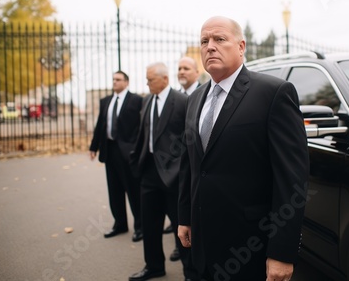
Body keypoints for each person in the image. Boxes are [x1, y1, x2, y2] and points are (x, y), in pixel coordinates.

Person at [178, 16, 309, 281]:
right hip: (202, 242)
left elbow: (291, 180)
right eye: (204, 41)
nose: (210, 46)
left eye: (219, 39)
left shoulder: (273, 93)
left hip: (249, 246)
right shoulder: (194, 99)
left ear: (241, 46)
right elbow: (190, 164)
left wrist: (282, 252)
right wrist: (184, 216)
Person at [129, 63, 199, 281]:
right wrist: (136, 162)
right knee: (150, 225)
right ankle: (154, 266)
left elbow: (190, 138)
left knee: (182, 227)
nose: (147, 83)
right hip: (149, 173)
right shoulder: (147, 100)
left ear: (165, 79)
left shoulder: (182, 102)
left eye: (150, 79)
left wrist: (181, 169)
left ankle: (190, 272)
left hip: (174, 176)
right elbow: (144, 134)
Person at [89, 71, 143, 242]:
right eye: (113, 79)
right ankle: (119, 224)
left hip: (128, 153)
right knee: (114, 190)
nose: (115, 82)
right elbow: (100, 125)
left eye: (118, 80)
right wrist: (94, 146)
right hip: (110, 151)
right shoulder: (106, 101)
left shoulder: (136, 100)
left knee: (133, 191)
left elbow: (141, 127)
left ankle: (140, 227)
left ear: (126, 82)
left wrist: (136, 148)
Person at [164, 55, 202, 263]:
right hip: (176, 166)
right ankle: (181, 246)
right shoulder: (176, 98)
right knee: (178, 210)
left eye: (186, 68)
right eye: (179, 68)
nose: (181, 72)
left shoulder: (206, 95)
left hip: (198, 166)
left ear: (197, 72)